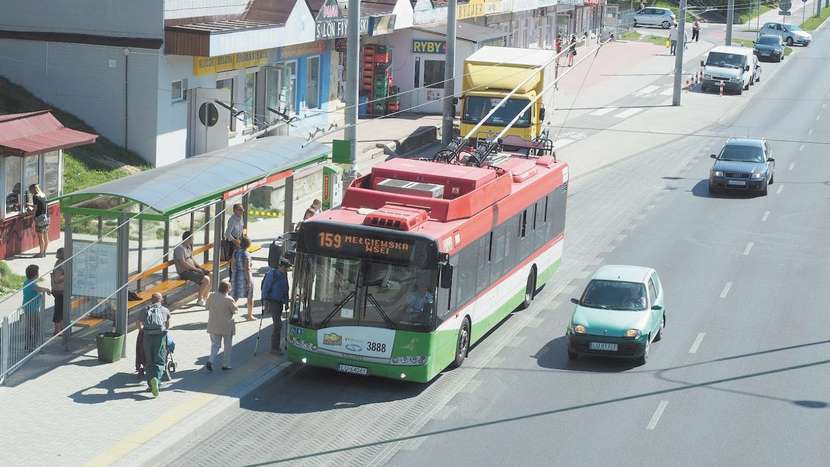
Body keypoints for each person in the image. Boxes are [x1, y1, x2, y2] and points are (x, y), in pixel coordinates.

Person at [138, 293, 171, 397]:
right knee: (160, 360)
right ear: (160, 300)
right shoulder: (165, 310)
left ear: (151, 300)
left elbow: (138, 324)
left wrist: (143, 331)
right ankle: (156, 380)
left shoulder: (144, 310)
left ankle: (150, 385)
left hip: (147, 337)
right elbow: (167, 325)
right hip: (159, 337)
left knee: (149, 360)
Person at [173, 230, 211, 306]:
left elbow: (192, 259)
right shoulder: (179, 248)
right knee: (206, 279)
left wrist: (200, 268)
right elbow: (182, 263)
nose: (193, 240)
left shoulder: (188, 246)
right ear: (188, 239)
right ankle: (200, 300)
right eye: (192, 238)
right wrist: (196, 269)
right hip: (184, 272)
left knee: (211, 274)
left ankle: (205, 297)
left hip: (192, 270)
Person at [206, 280, 237, 371]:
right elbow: (234, 311)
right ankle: (226, 364)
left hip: (213, 325)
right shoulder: (229, 299)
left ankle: (210, 360)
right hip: (226, 326)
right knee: (227, 346)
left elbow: (206, 307)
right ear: (227, 289)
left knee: (215, 345)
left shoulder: (211, 296)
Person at [261, 259, 290, 354]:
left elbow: (286, 290)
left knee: (278, 325)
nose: (287, 270)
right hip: (273, 302)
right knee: (278, 325)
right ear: (281, 266)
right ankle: (274, 348)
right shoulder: (272, 274)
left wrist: (286, 302)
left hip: (280, 302)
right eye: (286, 267)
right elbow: (265, 288)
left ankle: (275, 347)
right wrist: (264, 303)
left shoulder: (284, 276)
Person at [22, 264, 50, 351]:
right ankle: (33, 345)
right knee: (37, 327)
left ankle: (28, 344)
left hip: (27, 308)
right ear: (35, 275)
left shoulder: (26, 282)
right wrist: (47, 290)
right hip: (33, 309)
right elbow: (40, 289)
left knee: (29, 326)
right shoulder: (33, 285)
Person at [231, 236, 254, 320]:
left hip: (236, 275)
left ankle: (227, 313)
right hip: (244, 277)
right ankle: (249, 315)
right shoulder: (246, 254)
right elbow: (247, 269)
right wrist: (248, 281)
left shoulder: (235, 252)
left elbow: (232, 264)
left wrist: (234, 273)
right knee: (249, 296)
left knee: (234, 296)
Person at [28, 184, 49, 258]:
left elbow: (35, 209)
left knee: (40, 237)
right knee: (46, 235)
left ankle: (40, 253)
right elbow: (41, 205)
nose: (30, 192)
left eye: (30, 190)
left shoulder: (35, 196)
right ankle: (44, 253)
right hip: (46, 217)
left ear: (33, 189)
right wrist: (30, 204)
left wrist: (33, 217)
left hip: (39, 218)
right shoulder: (43, 195)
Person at [223, 203, 244, 279]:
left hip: (238, 240)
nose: (242, 211)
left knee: (239, 261)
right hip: (232, 242)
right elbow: (227, 234)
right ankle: (232, 279)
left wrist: (241, 239)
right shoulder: (232, 220)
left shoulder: (241, 218)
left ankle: (237, 277)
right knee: (233, 262)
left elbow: (241, 229)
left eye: (242, 209)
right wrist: (235, 241)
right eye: (240, 209)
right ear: (235, 211)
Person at [50, 248, 65, 336]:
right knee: (59, 310)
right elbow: (57, 279)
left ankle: (61, 327)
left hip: (58, 290)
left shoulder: (59, 263)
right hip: (59, 291)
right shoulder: (61, 264)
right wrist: (68, 274)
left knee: (61, 309)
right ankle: (57, 330)